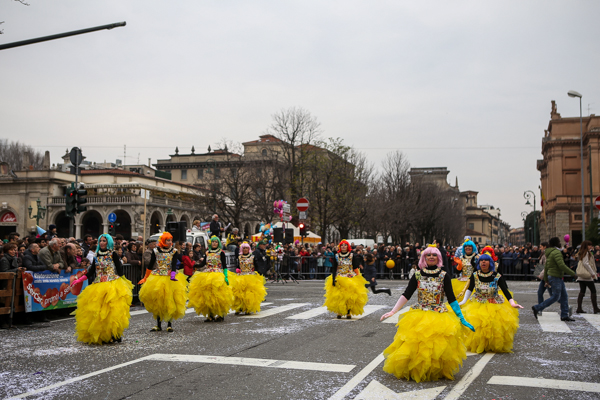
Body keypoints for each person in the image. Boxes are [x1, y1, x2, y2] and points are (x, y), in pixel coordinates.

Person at [380, 245, 474, 382]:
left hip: (439, 314)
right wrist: (393, 311)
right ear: (424, 258)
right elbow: (407, 294)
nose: (431, 257)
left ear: (438, 258)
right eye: (428, 255)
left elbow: (452, 298)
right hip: (420, 313)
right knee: (417, 344)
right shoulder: (418, 274)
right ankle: (417, 369)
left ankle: (435, 370)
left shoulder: (444, 276)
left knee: (437, 346)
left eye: (434, 255)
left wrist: (461, 317)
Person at [73, 234, 133, 344]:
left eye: (104, 241)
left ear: (108, 242)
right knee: (99, 313)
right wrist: (79, 280)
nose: (101, 242)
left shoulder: (112, 254)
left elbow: (120, 270)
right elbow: (91, 271)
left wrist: (124, 283)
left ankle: (115, 334)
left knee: (113, 311)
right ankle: (103, 335)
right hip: (98, 284)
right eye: (100, 240)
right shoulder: (96, 255)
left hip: (112, 284)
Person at [459, 252, 523, 353]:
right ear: (479, 263)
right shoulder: (475, 275)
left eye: (486, 260)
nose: (483, 262)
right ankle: (480, 343)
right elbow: (470, 289)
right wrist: (463, 301)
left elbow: (505, 291)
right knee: (478, 326)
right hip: (478, 303)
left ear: (491, 263)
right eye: (481, 261)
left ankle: (490, 344)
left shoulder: (497, 276)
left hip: (494, 303)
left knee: (493, 327)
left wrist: (512, 303)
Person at [138, 232, 188, 332]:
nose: (170, 242)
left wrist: (173, 275)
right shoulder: (156, 251)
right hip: (158, 277)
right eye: (168, 240)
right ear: (163, 241)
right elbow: (151, 265)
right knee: (158, 301)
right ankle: (158, 325)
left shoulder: (174, 251)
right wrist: (146, 277)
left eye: (171, 240)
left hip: (169, 278)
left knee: (169, 301)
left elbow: (174, 265)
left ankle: (169, 324)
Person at [188, 236, 233, 322]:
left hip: (218, 275)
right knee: (208, 296)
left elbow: (224, 265)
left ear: (218, 243)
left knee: (218, 296)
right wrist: (195, 265)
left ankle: (220, 314)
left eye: (216, 242)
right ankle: (210, 315)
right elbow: (203, 264)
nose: (214, 243)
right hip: (207, 275)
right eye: (213, 242)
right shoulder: (207, 252)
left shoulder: (221, 252)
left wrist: (226, 276)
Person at [532, 237, 577, 322]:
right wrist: (573, 273)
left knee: (564, 296)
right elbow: (561, 265)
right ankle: (537, 307)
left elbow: (547, 266)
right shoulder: (556, 252)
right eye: (559, 241)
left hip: (554, 276)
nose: (560, 243)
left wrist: (545, 278)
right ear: (556, 243)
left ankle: (564, 315)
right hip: (555, 276)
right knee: (556, 296)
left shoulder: (550, 252)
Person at [324, 240, 369, 319]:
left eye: (345, 245)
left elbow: (355, 267)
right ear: (340, 247)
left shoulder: (352, 255)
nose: (343, 246)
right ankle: (340, 312)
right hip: (339, 277)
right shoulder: (336, 256)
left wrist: (359, 277)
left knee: (349, 296)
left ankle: (348, 311)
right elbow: (334, 268)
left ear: (348, 247)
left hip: (350, 277)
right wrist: (334, 277)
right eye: (342, 245)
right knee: (339, 296)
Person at [231, 242, 267, 315]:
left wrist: (259, 273)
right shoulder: (239, 257)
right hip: (241, 276)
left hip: (250, 276)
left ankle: (248, 308)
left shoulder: (252, 257)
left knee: (249, 294)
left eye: (246, 248)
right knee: (239, 294)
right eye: (244, 248)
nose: (245, 249)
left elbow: (256, 265)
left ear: (249, 249)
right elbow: (237, 266)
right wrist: (237, 269)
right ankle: (239, 307)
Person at [575, 240, 600, 314]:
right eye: (589, 245)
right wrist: (592, 273)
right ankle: (595, 308)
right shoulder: (586, 253)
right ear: (586, 246)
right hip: (587, 276)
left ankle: (579, 308)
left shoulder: (581, 252)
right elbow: (586, 263)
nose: (591, 246)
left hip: (581, 276)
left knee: (582, 291)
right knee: (593, 291)